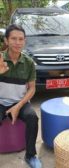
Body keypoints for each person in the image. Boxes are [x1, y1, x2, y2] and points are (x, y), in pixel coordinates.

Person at [0, 24, 41, 168]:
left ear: (24, 41)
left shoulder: (29, 62)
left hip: (20, 101)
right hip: (1, 102)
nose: (17, 42)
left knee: (32, 117)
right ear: (6, 41)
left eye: (21, 39)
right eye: (13, 39)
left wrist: (18, 106)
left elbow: (32, 89)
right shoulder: (0, 59)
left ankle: (30, 155)